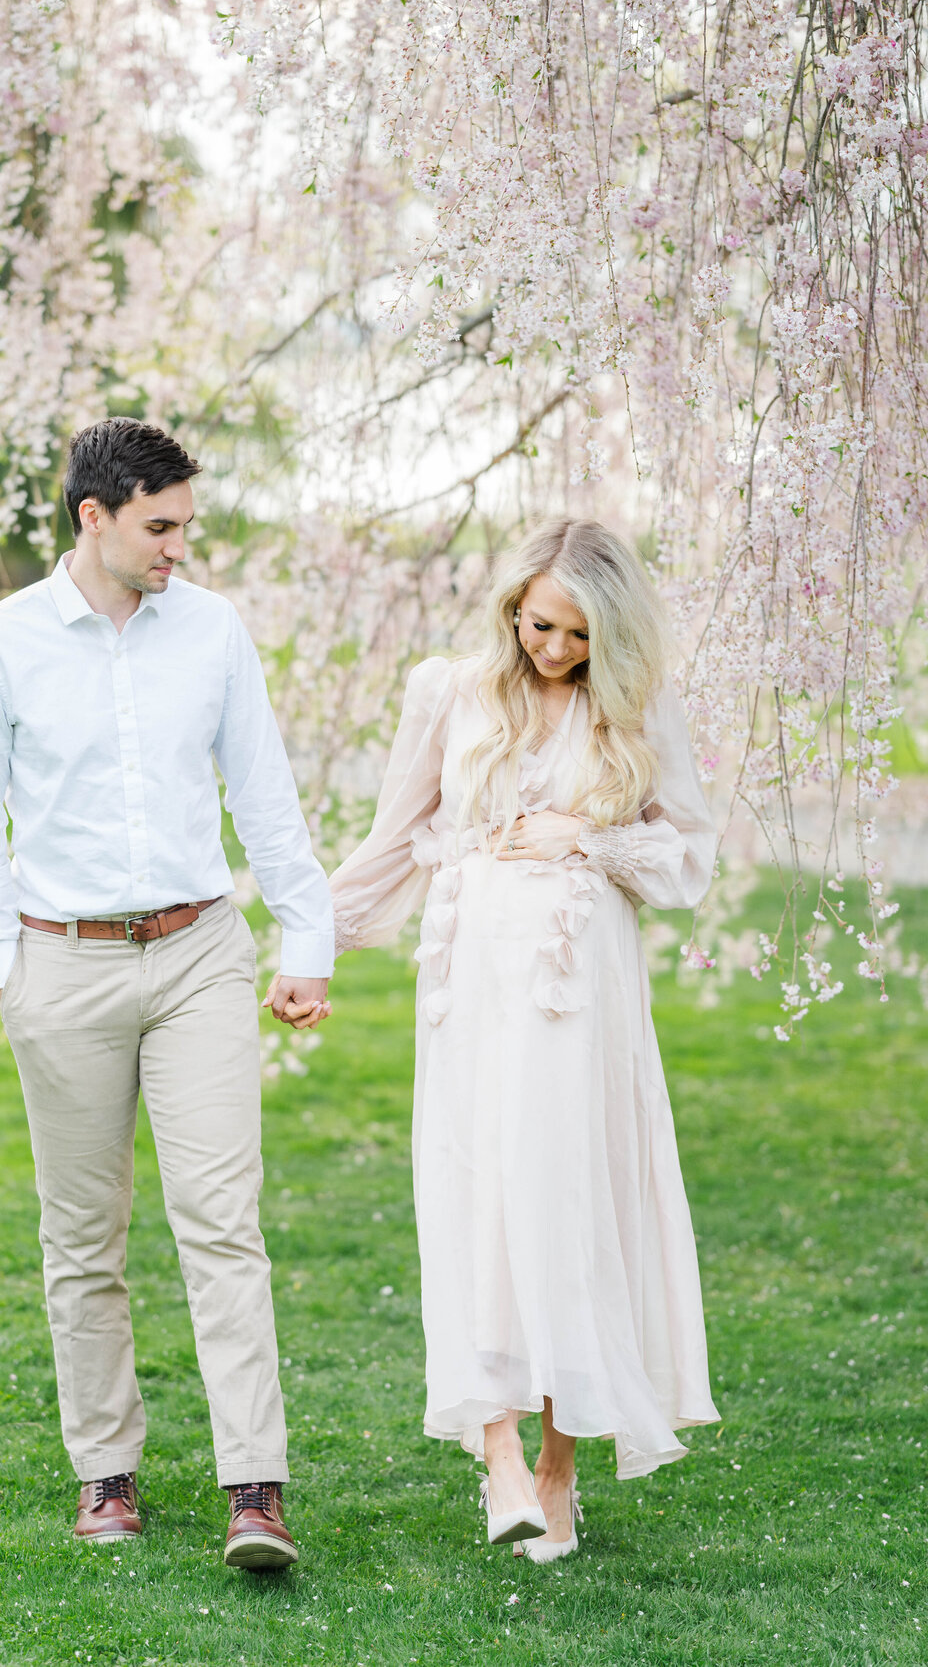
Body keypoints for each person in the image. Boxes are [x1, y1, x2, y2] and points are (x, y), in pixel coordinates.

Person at [0, 417, 333, 1569]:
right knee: (83, 1235)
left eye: (185, 526)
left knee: (222, 1221)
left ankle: (254, 1488)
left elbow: (264, 793)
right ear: (92, 517)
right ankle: (106, 1474)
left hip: (200, 953)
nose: (178, 548)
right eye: (159, 527)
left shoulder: (211, 631)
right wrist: (2, 966)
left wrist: (303, 938)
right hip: (58, 963)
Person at [329, 517, 719, 1563]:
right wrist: (310, 944)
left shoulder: (635, 707)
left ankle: (558, 1468)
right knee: (476, 1199)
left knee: (564, 1204)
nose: (553, 649)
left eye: (578, 635)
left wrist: (588, 834)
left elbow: (691, 858)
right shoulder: (449, 693)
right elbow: (393, 837)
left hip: (578, 1004)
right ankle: (495, 1447)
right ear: (513, 607)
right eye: (540, 624)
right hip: (468, 993)